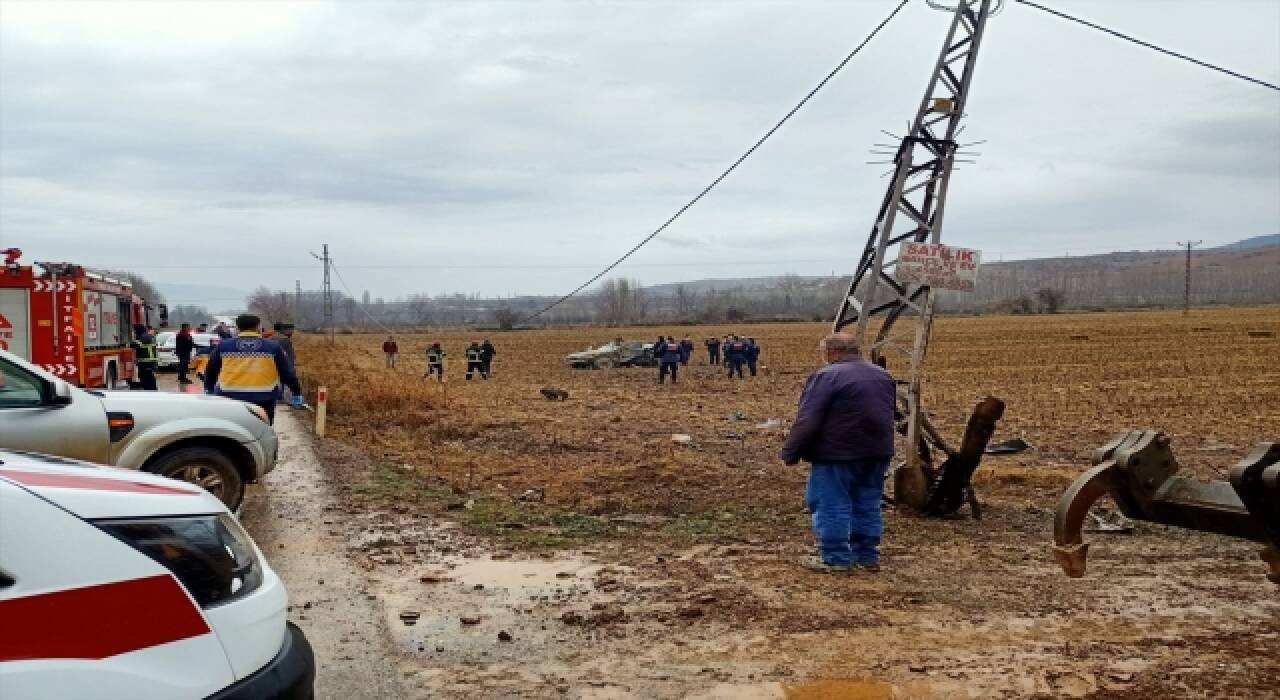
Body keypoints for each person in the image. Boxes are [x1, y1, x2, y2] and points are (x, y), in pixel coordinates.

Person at [780, 333, 896, 574]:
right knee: (868, 502)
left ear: (830, 352)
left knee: (831, 503)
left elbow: (808, 418)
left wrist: (791, 451)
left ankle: (835, 557)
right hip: (877, 451)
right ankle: (866, 555)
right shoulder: (882, 375)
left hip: (837, 453)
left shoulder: (827, 376)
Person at [203, 314, 303, 424]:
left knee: (234, 428)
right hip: (264, 396)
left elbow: (211, 369)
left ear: (238, 327)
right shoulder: (273, 347)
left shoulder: (223, 346)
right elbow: (287, 373)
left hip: (229, 396)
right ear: (258, 327)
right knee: (263, 429)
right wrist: (296, 391)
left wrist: (209, 388)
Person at [130, 324, 158, 391]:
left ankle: (151, 393)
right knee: (149, 378)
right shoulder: (149, 336)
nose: (134, 332)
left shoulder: (144, 337)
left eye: (135, 331)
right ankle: (153, 392)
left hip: (146, 362)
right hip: (150, 362)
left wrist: (125, 343)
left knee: (147, 379)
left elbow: (135, 344)